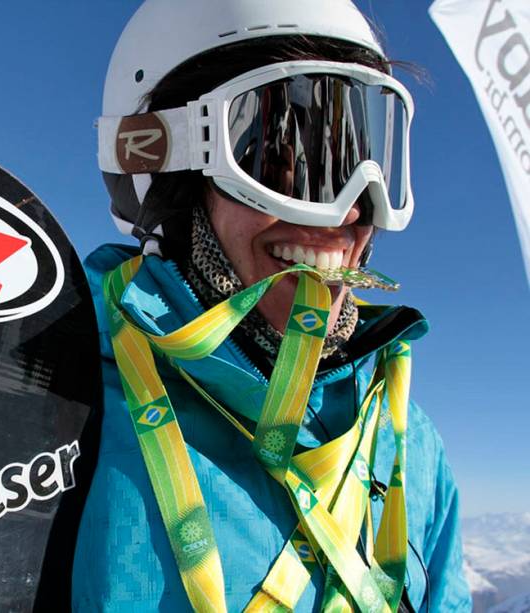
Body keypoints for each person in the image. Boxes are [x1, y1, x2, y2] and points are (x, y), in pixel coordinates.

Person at [71, 0, 472, 610]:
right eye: (278, 160)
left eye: (362, 163)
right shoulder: (59, 391)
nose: (346, 210)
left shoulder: (409, 445)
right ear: (170, 164)